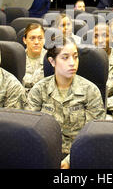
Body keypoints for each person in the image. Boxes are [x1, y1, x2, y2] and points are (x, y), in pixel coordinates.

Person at [26, 36, 105, 169]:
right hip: (44, 154)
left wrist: (69, 161)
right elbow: (29, 129)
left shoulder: (90, 90)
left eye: (75, 57)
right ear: (52, 61)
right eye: (65, 57)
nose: (72, 63)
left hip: (80, 155)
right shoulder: (39, 90)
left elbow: (92, 134)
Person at [93, 23, 113, 119]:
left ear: (112, 38)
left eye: (105, 36)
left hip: (110, 111)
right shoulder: (85, 60)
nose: (100, 40)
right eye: (96, 36)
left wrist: (101, 104)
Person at [22, 23, 47, 92]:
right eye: (32, 38)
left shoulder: (50, 59)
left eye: (40, 38)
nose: (36, 42)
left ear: (44, 40)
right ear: (24, 40)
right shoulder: (18, 58)